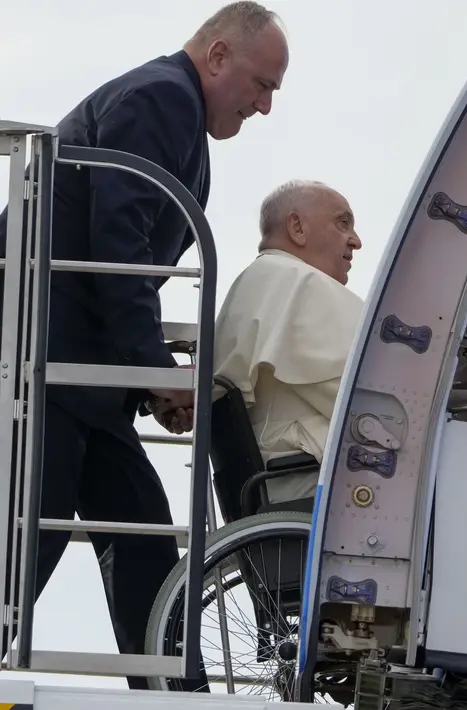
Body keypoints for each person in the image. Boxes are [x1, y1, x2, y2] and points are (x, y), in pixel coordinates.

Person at [0, 2, 289, 690]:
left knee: (140, 536)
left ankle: (173, 691)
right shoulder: (161, 97)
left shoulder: (176, 115)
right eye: (262, 84)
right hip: (49, 359)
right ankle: (171, 688)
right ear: (218, 56)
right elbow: (118, 244)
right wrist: (153, 368)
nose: (265, 106)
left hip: (81, 371)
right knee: (33, 533)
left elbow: (117, 256)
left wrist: (148, 379)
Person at [213, 180, 364, 505]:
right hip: (311, 487)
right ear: (296, 227)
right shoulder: (300, 284)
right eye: (343, 223)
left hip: (273, 486)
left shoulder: (258, 282)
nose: (356, 241)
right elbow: (373, 402)